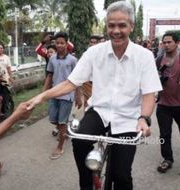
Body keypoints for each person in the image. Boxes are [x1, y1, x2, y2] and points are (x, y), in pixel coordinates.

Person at [26, 2, 162, 189]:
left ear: (131, 26)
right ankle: (88, 182)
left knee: (122, 175)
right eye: (111, 25)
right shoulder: (94, 52)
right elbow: (71, 83)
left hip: (129, 117)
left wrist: (144, 118)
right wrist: (40, 97)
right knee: (80, 141)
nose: (116, 30)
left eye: (122, 25)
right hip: (99, 111)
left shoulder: (144, 56)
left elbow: (149, 94)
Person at [156, 32, 180, 173]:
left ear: (177, 43)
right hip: (163, 104)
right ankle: (167, 159)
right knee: (164, 134)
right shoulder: (159, 59)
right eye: (164, 42)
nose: (166, 45)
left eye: (169, 42)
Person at [42, 31, 82, 160]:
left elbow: (78, 79)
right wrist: (43, 93)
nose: (59, 45)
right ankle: (65, 130)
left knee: (61, 121)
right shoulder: (52, 58)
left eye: (62, 43)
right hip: (55, 93)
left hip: (67, 95)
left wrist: (78, 95)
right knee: (53, 120)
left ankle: (60, 145)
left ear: (66, 44)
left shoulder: (72, 60)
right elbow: (49, 76)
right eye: (57, 43)